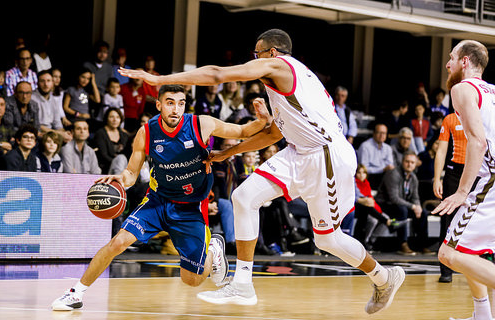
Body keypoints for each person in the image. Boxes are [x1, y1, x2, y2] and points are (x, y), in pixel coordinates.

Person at [120, 29, 404, 313]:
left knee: (328, 238)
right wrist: (226, 153)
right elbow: (272, 134)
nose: (253, 61)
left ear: (272, 53)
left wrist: (160, 79)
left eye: (256, 54)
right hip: (299, 153)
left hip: (326, 155)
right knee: (243, 197)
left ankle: (383, 276)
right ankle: (242, 284)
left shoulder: (280, 66)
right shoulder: (286, 87)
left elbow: (218, 74)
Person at [51, 84, 270, 311]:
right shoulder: (147, 132)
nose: (176, 109)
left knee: (192, 280)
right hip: (158, 201)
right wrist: (119, 179)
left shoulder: (200, 124)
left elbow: (243, 131)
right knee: (118, 242)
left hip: (191, 208)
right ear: (159, 105)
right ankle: (75, 293)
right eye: (170, 103)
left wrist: (262, 121)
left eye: (181, 103)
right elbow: (131, 174)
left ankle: (213, 249)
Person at [433, 40, 495, 320]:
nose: (447, 64)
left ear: (465, 62)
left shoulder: (461, 89)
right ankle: (484, 315)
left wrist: (461, 192)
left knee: (448, 254)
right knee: (474, 252)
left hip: (488, 177)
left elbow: (479, 142)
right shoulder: (492, 91)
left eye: (452, 58)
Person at [433, 111, 468, 283]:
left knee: (479, 219)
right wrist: (437, 178)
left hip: (476, 172)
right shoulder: (450, 119)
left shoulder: (481, 115)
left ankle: (483, 264)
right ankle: (445, 270)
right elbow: (441, 151)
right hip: (454, 173)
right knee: (448, 219)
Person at [375, 151, 429, 255]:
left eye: (412, 162)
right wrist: (413, 206)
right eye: (407, 161)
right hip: (384, 205)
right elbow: (394, 198)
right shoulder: (393, 174)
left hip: (400, 204)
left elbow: (415, 197)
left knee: (423, 213)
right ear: (402, 162)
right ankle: (403, 244)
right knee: (402, 210)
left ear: (415, 164)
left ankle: (422, 245)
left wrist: (417, 207)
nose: (409, 164)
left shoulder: (413, 177)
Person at [353, 164, 408, 251]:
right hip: (356, 207)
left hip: (367, 207)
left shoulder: (366, 184)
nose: (361, 175)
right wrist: (365, 201)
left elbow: (370, 199)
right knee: (370, 214)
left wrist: (377, 209)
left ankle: (371, 239)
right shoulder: (353, 182)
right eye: (359, 172)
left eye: (364, 173)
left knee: (382, 216)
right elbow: (355, 197)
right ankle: (389, 224)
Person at [31, 70, 70, 141]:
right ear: (37, 83)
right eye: (42, 81)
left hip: (52, 133)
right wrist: (59, 134)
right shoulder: (31, 98)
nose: (46, 84)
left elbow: (57, 123)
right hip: (37, 134)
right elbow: (36, 125)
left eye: (48, 81)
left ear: (52, 83)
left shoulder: (54, 100)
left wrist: (64, 134)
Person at [358, 123, 395, 189]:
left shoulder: (388, 148)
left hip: (383, 176)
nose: (382, 135)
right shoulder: (365, 146)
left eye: (384, 133)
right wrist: (382, 169)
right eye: (379, 133)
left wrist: (384, 169)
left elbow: (390, 165)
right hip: (369, 177)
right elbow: (364, 169)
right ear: (374, 133)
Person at [93, 107, 129, 174]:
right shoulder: (101, 133)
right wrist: (118, 162)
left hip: (124, 167)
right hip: (107, 168)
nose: (115, 120)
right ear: (106, 118)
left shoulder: (124, 135)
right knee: (120, 159)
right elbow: (103, 155)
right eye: (111, 117)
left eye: (118, 117)